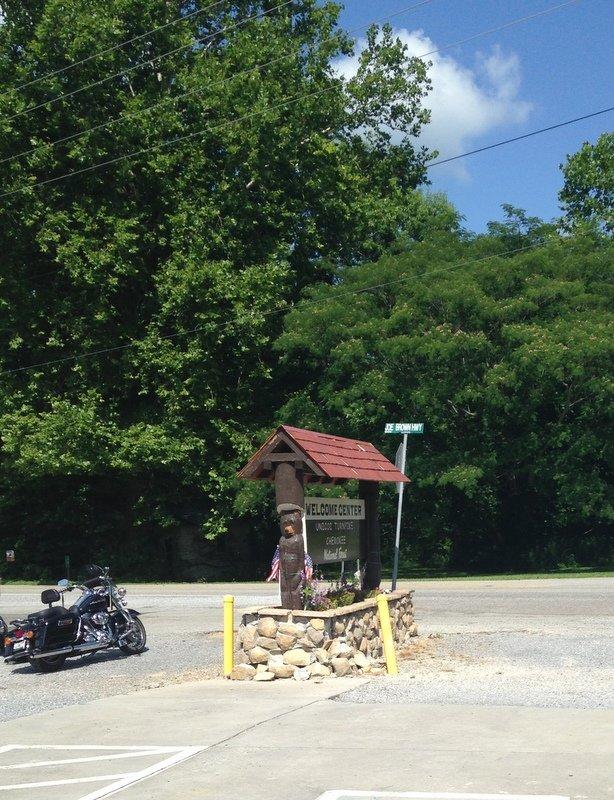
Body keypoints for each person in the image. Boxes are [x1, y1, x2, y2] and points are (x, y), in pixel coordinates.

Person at [266, 503, 313, 609]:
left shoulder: (298, 539)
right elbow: (281, 558)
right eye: (285, 525)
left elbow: (301, 559)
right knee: (284, 591)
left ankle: (297, 610)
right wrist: (281, 572)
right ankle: (286, 609)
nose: (287, 528)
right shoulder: (282, 540)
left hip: (296, 572)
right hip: (284, 572)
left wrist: (297, 573)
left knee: (295, 591)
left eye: (291, 524)